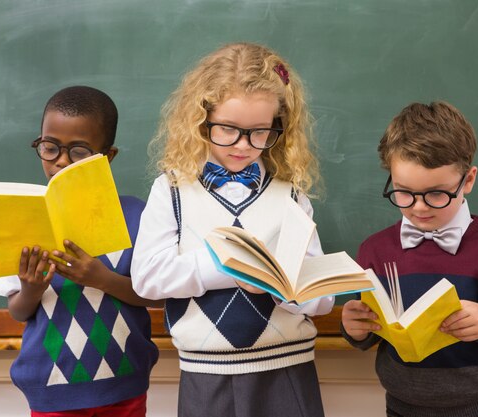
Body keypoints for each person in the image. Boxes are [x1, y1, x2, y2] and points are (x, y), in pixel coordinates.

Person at [130, 42, 333, 417]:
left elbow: (321, 300)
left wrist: (280, 286)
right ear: (200, 120)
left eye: (260, 132)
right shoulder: (172, 189)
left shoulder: (291, 195)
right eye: (228, 129)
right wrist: (229, 265)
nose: (244, 145)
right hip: (207, 376)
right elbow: (147, 278)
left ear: (279, 127)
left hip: (287, 370)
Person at [341, 101, 478, 417]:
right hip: (402, 408)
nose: (419, 207)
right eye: (404, 192)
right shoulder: (374, 250)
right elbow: (369, 333)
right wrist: (356, 330)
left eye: (437, 194)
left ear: (469, 180)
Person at [0, 86, 161, 416]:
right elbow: (18, 311)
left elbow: (157, 296)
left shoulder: (139, 216)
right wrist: (31, 289)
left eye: (79, 152)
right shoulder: (20, 218)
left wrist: (103, 280)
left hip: (123, 383)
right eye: (49, 148)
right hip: (52, 386)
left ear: (107, 157)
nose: (61, 161)